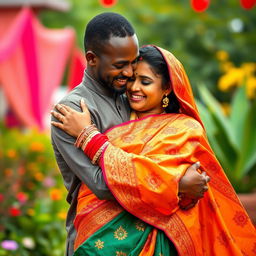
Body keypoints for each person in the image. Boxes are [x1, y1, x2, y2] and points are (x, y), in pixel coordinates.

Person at [51, 45, 256, 255]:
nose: (134, 88)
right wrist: (178, 184)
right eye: (132, 79)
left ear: (167, 87)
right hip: (100, 237)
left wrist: (88, 137)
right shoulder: (118, 117)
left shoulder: (184, 129)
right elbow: (107, 182)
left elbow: (171, 187)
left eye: (145, 82)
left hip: (161, 241)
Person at [51, 13, 209, 256]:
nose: (129, 73)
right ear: (92, 59)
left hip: (151, 234)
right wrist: (178, 184)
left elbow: (163, 159)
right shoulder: (71, 112)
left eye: (133, 62)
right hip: (100, 239)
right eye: (119, 65)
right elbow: (103, 185)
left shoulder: (132, 99)